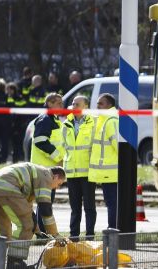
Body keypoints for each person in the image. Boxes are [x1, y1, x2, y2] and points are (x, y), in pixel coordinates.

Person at [0, 163, 66, 268]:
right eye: (59, 184)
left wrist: (38, 230)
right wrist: (55, 234)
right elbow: (45, 209)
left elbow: (28, 210)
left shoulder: (35, 174)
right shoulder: (46, 176)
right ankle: (15, 263)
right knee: (26, 226)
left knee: (2, 232)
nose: (56, 188)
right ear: (55, 177)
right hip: (7, 188)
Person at [63, 95, 97, 240]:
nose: (74, 106)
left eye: (77, 104)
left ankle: (90, 236)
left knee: (89, 207)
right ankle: (74, 236)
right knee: (75, 208)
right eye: (73, 103)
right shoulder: (66, 123)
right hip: (72, 173)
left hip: (88, 172)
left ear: (86, 106)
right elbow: (64, 146)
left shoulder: (93, 122)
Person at [30, 93, 65, 233]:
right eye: (59, 103)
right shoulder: (45, 119)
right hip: (44, 169)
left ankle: (43, 232)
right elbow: (40, 141)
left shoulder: (52, 119)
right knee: (45, 203)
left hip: (48, 169)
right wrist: (58, 158)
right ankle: (43, 233)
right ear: (50, 103)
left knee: (45, 202)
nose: (62, 106)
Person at [89, 93, 119, 229]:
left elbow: (118, 145)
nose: (97, 106)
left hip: (110, 172)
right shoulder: (105, 119)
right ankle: (113, 229)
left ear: (109, 105)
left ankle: (112, 230)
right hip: (108, 172)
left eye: (101, 103)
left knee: (112, 203)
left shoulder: (110, 120)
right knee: (112, 203)